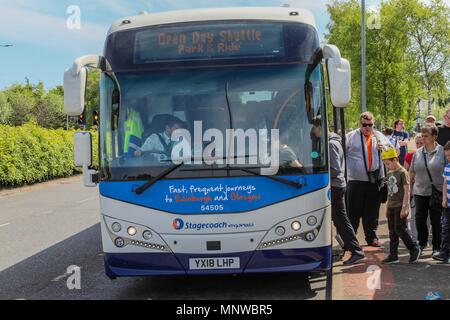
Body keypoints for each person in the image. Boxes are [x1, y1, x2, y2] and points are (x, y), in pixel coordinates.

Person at [346, 112, 390, 247]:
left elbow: (394, 150)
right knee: (353, 211)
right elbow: (341, 153)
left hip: (375, 180)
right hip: (356, 181)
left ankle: (371, 237)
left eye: (370, 125)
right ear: (360, 124)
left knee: (372, 211)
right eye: (364, 125)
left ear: (373, 124)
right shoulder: (350, 137)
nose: (367, 127)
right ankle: (350, 240)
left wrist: (385, 148)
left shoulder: (379, 136)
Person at [329, 130, 365, 265]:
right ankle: (351, 248)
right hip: (337, 185)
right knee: (340, 221)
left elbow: (335, 168)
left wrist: (319, 169)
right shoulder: (334, 142)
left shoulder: (331, 144)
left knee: (341, 221)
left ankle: (356, 251)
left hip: (335, 186)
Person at [381, 147, 421, 264]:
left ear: (395, 160)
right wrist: (388, 207)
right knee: (392, 231)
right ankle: (393, 255)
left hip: (400, 205)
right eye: (385, 164)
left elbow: (407, 191)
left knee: (400, 229)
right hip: (392, 206)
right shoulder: (389, 173)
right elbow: (390, 192)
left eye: (388, 163)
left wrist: (405, 207)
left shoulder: (403, 172)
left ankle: (414, 248)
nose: (387, 166)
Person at [409, 124, 445, 255]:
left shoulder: (443, 152)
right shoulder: (417, 153)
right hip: (419, 191)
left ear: (434, 136)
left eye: (426, 136)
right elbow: (411, 173)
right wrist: (408, 191)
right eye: (422, 136)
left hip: (437, 192)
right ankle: (423, 242)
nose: (423, 139)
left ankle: (437, 247)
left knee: (436, 220)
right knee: (420, 218)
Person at [432, 141, 450, 262]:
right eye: (447, 156)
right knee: (446, 228)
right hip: (448, 204)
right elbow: (444, 184)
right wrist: (444, 199)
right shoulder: (447, 167)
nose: (448, 158)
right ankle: (444, 253)